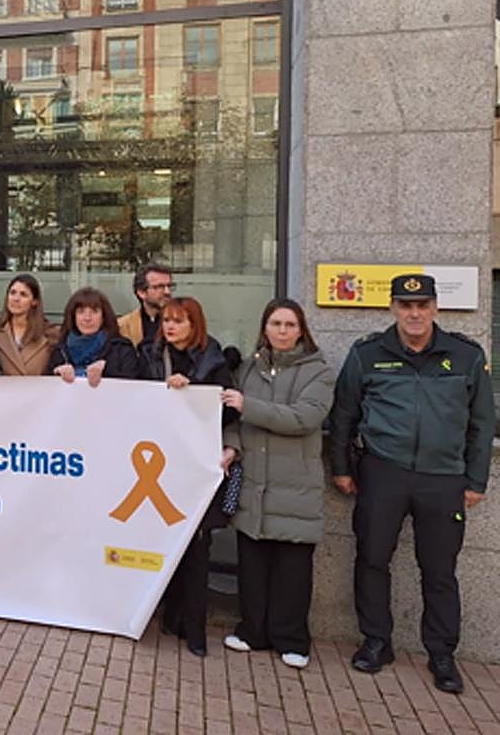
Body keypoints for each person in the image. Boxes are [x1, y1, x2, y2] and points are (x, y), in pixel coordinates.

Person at [328, 274, 493, 694]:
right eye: (405, 305)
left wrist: (476, 480)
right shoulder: (368, 354)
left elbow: (481, 423)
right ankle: (376, 641)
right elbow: (344, 413)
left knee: (439, 570)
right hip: (384, 471)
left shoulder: (465, 356)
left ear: (436, 307)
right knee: (371, 558)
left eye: (422, 305)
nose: (414, 313)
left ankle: (441, 654)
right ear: (393, 309)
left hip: (443, 478)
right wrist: (342, 468)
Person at [218, 299, 335, 669]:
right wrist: (232, 447)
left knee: (292, 570)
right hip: (254, 482)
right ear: (264, 328)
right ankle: (253, 631)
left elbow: (303, 418)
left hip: (294, 487)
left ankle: (293, 639)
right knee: (252, 565)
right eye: (275, 324)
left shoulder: (319, 372)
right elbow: (234, 422)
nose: (282, 331)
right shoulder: (248, 369)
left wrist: (247, 405)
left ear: (301, 330)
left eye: (289, 324)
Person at [140, 296, 237, 657]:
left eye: (179, 321)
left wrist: (193, 391)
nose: (170, 326)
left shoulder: (215, 360)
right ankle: (170, 617)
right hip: (156, 464)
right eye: (166, 320)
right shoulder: (148, 356)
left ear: (195, 325)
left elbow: (227, 414)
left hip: (196, 465)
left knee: (196, 547)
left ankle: (194, 629)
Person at [48, 287, 140, 385]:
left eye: (94, 311)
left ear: (104, 317)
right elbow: (45, 391)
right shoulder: (60, 351)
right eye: (81, 312)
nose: (87, 318)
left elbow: (133, 386)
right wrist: (56, 375)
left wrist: (107, 371)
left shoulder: (122, 350)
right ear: (73, 316)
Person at [0, 273, 59, 376]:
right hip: (2, 390)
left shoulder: (51, 335)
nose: (16, 299)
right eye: (12, 293)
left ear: (34, 301)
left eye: (23, 294)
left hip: (38, 391)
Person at [117, 264, 174, 349]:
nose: (167, 292)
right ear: (141, 292)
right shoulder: (123, 326)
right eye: (159, 287)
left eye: (169, 286)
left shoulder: (185, 323)